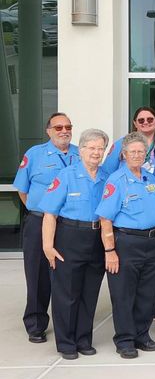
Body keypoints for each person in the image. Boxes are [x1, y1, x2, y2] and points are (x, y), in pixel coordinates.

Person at [96, 132, 155, 359]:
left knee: (148, 293)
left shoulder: (150, 178)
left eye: (141, 152)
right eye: (133, 152)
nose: (137, 155)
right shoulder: (116, 181)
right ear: (124, 155)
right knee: (124, 294)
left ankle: (142, 335)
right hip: (127, 243)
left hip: (154, 242)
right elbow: (105, 218)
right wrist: (110, 250)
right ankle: (125, 339)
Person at [39, 128, 108, 360]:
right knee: (67, 293)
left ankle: (83, 339)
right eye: (91, 148)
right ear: (82, 150)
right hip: (69, 237)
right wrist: (48, 246)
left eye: (100, 148)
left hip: (97, 239)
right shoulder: (66, 176)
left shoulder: (106, 177)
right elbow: (49, 214)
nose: (96, 152)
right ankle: (67, 342)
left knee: (89, 293)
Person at [13, 112, 79, 344]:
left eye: (68, 126)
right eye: (58, 127)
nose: (64, 131)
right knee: (38, 274)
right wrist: (41, 211)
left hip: (70, 225)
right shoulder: (35, 154)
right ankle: (36, 323)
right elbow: (23, 190)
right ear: (48, 130)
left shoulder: (80, 154)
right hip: (39, 222)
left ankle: (69, 322)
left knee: (68, 275)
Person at [101, 106, 155, 174]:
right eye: (141, 120)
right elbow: (107, 172)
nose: (146, 122)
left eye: (150, 119)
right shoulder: (121, 144)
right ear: (135, 123)